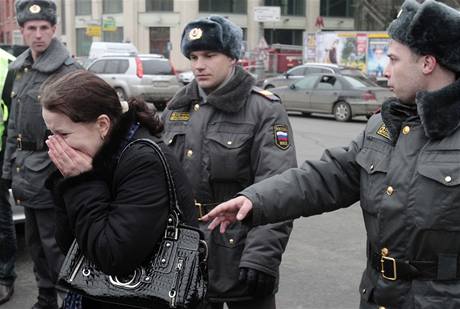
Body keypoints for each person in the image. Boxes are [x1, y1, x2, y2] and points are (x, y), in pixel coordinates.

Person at [203, 1, 460, 308]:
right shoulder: (386, 125)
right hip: (379, 297)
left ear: (427, 63)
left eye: (393, 59)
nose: (385, 70)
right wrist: (255, 200)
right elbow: (326, 177)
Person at [162, 15, 297, 309]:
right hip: (185, 255)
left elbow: (278, 188)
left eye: (210, 55)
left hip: (240, 254)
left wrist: (262, 256)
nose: (199, 64)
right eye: (194, 56)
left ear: (233, 57)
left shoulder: (263, 109)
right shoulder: (177, 108)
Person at [41, 69, 198, 309]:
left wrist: (82, 182)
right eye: (51, 133)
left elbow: (113, 256)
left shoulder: (142, 161)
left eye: (62, 134)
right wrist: (72, 183)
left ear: (102, 124)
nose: (55, 144)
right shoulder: (99, 159)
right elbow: (71, 245)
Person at [1, 1, 82, 308]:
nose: (38, 35)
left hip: (52, 171)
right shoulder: (19, 69)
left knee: (56, 244)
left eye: (44, 28)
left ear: (54, 30)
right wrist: (8, 168)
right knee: (35, 245)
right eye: (31, 28)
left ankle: (67, 301)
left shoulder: (68, 71)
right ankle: (45, 299)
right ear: (21, 31)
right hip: (24, 171)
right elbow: (13, 125)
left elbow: (84, 126)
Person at [0, 47, 15, 306]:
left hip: (0, 152)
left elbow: (15, 119)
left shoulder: (9, 65)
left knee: (1, 222)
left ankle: (4, 276)